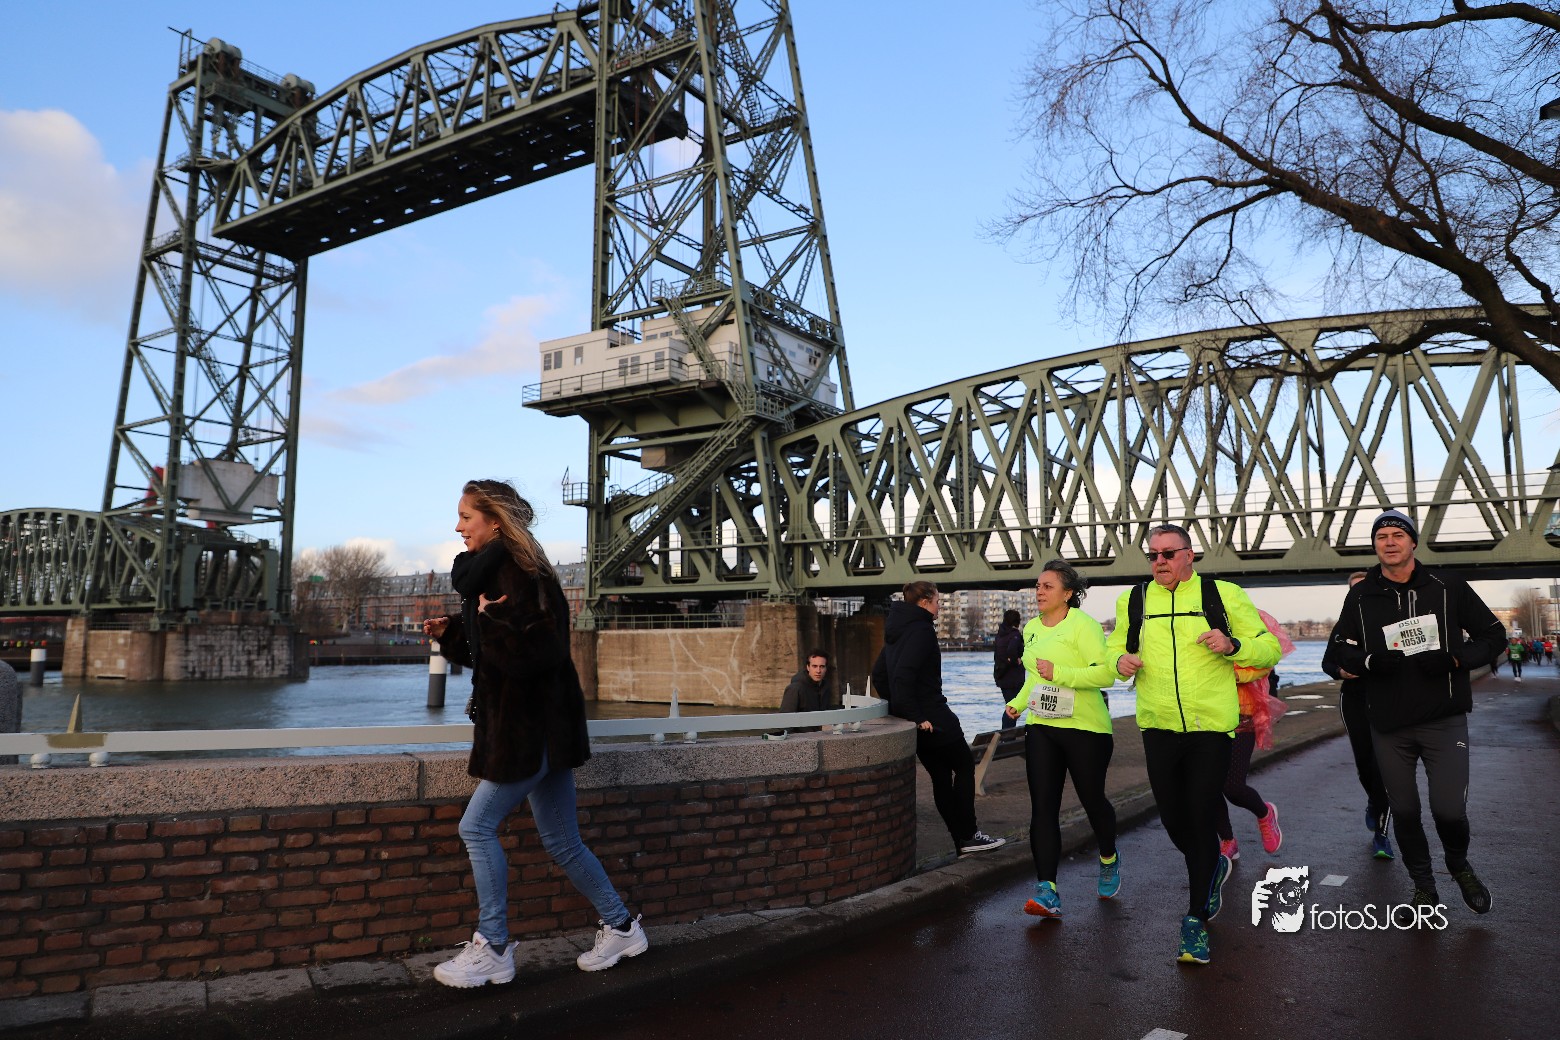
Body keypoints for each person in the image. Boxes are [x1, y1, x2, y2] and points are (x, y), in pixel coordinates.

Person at [422, 479, 648, 987]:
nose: (458, 527)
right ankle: (622, 927)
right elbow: (495, 657)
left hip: (528, 730)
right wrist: (456, 633)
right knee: (563, 841)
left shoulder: (522, 572)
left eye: (466, 517)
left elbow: (540, 653)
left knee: (476, 828)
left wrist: (489, 622)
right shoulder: (492, 573)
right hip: (540, 726)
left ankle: (494, 946)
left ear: (494, 521)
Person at [1105, 524, 1281, 966]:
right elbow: (1112, 650)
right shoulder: (1135, 600)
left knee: (1202, 816)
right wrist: (1118, 661)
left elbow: (1268, 648)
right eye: (1153, 555)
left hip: (1210, 728)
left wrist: (1233, 644)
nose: (1159, 561)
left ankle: (1195, 918)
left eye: (1168, 553)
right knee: (1173, 820)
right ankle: (1213, 867)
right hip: (1158, 725)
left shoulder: (1222, 595)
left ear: (1190, 555)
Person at [1322, 509, 1505, 915]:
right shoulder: (1361, 595)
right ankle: (1424, 888)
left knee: (1449, 810)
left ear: (1413, 542)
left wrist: (1455, 659)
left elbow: (1494, 636)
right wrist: (1369, 661)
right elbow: (1337, 651)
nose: (1389, 542)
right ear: (1375, 545)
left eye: (1397, 535)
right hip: (1389, 724)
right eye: (1381, 536)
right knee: (1405, 811)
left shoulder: (1448, 586)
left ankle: (1458, 865)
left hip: (1443, 719)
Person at [1003, 561, 1120, 919]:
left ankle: (1108, 857)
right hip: (1042, 725)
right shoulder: (1032, 628)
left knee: (1092, 799)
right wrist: (1018, 703)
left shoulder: (1084, 626)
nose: (1039, 591)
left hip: (1086, 728)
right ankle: (1047, 890)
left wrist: (1061, 673)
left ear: (1068, 593)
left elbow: (1106, 674)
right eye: (1038, 586)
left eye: (1048, 586)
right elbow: (1033, 678)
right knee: (1043, 806)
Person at [872, 580, 1006, 857]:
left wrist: (900, 709)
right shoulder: (921, 630)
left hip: (918, 719)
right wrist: (916, 714)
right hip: (933, 716)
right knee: (964, 766)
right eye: (937, 601)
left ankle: (962, 841)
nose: (940, 606)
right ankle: (969, 835)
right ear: (924, 602)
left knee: (941, 778)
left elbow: (880, 675)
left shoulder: (897, 630)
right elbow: (903, 675)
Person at [1322, 571, 1394, 861]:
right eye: (1354, 590)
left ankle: (1382, 835)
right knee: (1365, 766)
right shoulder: (1343, 627)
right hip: (1354, 701)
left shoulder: (1390, 622)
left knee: (1384, 768)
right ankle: (1373, 803)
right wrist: (1340, 671)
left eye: (1364, 588)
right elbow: (1328, 663)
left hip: (1389, 701)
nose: (1359, 594)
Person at [1215, 610, 1293, 865]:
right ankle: (1228, 841)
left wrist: (1232, 673)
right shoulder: (1193, 617)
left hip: (1242, 712)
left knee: (1233, 787)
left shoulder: (1246, 615)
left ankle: (1264, 813)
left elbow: (1265, 660)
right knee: (1208, 785)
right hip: (1205, 712)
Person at [769, 650, 832, 737]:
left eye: (822, 666)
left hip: (819, 736)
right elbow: (784, 722)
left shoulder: (825, 687)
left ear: (826, 668)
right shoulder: (795, 688)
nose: (818, 671)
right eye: (814, 666)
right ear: (808, 667)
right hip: (800, 739)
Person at [993, 609, 1026, 730]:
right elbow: (1012, 651)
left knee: (1009, 705)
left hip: (1001, 675)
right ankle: (1007, 734)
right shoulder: (1015, 635)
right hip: (1013, 677)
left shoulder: (1000, 634)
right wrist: (1017, 661)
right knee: (1013, 707)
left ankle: (1006, 733)